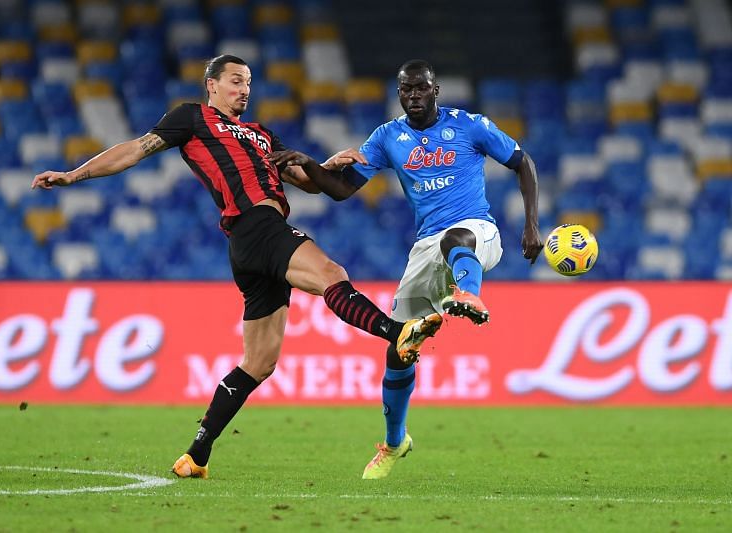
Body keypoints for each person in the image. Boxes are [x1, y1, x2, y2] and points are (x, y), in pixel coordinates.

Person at [31, 54, 443, 479]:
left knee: (260, 361)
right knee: (331, 276)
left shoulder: (262, 135)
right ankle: (398, 333)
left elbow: (307, 182)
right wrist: (73, 176)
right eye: (234, 81)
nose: (244, 89)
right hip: (255, 226)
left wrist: (326, 167)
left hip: (251, 245)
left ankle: (196, 454)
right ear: (211, 84)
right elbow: (135, 150)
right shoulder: (191, 118)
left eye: (247, 82)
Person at [268, 59, 543, 479]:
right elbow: (341, 189)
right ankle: (396, 442)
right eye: (405, 90)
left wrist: (531, 226)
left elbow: (523, 162)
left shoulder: (470, 125)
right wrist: (309, 163)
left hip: (477, 230)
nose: (413, 96)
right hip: (425, 250)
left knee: (458, 238)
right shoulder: (388, 137)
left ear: (435, 91)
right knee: (400, 351)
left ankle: (469, 292)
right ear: (399, 94)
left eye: (420, 88)